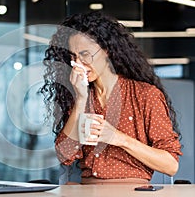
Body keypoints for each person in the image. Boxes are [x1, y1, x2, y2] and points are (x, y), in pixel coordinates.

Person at [40, 11, 182, 185]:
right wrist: (80, 99)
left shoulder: (145, 95)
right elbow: (65, 155)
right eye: (73, 57)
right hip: (86, 190)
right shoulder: (80, 95)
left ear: (106, 50)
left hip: (132, 191)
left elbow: (170, 165)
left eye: (85, 54)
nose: (79, 63)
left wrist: (118, 138)